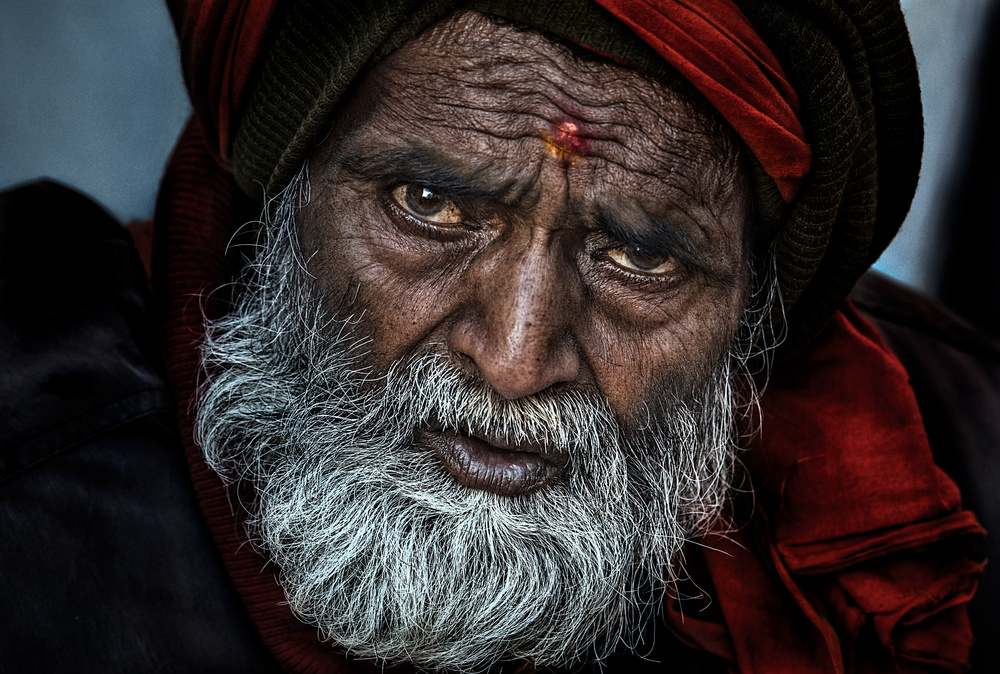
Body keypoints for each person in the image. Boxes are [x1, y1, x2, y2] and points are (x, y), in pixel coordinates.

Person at [1, 0, 997, 672]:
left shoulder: (970, 468)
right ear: (284, 193)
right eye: (429, 203)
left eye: (643, 256)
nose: (517, 358)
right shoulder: (32, 457)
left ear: (751, 310)